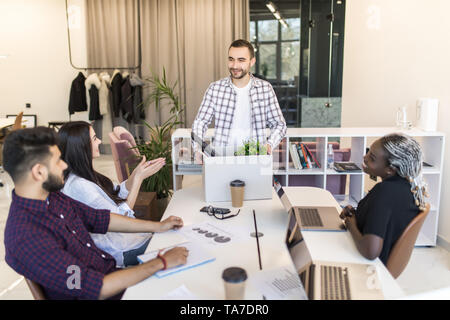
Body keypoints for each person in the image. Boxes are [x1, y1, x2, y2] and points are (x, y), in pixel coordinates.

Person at [3, 127, 188, 299]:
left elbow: (101, 219)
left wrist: (159, 226)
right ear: (39, 172)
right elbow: (94, 288)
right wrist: (160, 263)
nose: (64, 166)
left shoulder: (52, 197)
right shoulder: (27, 236)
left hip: (111, 274)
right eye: (58, 161)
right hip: (106, 290)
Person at [58, 121, 165, 267]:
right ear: (81, 147)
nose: (100, 141)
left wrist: (136, 175)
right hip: (120, 249)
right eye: (95, 138)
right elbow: (120, 218)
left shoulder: (84, 174)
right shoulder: (79, 186)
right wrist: (138, 180)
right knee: (173, 244)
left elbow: (117, 192)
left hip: (127, 239)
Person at [192, 39, 287, 162]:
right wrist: (198, 149)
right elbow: (200, 122)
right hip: (221, 158)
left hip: (256, 158)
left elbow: (279, 124)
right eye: (231, 59)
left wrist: (269, 145)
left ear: (252, 61)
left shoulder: (265, 88)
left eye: (241, 60)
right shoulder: (215, 88)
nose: (235, 65)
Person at [339, 133, 428, 265]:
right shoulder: (407, 188)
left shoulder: (385, 192)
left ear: (390, 170)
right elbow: (384, 219)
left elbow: (370, 251)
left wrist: (351, 224)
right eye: (368, 152)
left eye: (372, 158)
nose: (365, 157)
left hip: (369, 267)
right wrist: (356, 214)